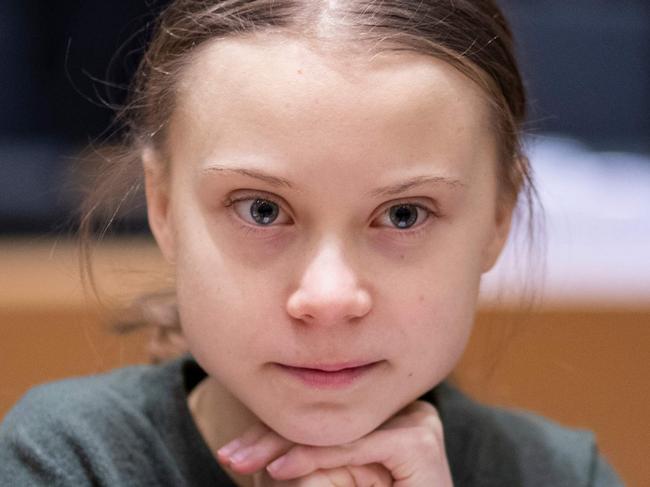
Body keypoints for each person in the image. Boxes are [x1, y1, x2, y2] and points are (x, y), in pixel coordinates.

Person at [0, 1, 624, 485]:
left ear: (498, 218)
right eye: (263, 210)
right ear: (162, 207)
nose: (329, 297)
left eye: (404, 214)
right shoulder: (68, 460)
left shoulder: (563, 473)